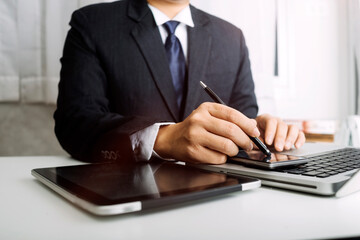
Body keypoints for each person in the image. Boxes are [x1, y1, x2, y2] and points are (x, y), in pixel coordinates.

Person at [54, 0, 305, 164]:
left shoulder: (231, 37)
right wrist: (162, 139)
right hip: (127, 196)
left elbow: (244, 118)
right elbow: (75, 125)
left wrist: (257, 132)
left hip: (220, 200)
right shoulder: (93, 24)